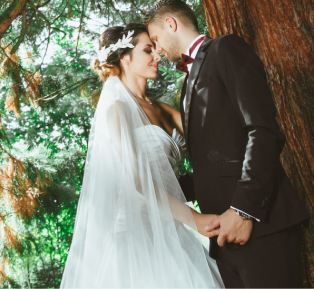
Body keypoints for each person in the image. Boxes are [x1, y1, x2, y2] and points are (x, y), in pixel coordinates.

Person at [145, 0, 311, 289]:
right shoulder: (188, 84)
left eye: (156, 39)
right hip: (223, 239)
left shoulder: (225, 49)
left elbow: (263, 131)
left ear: (171, 23)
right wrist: (153, 190)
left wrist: (244, 211)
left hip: (261, 226)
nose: (157, 50)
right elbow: (212, 163)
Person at [59, 22, 225, 289]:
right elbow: (137, 180)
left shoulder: (164, 110)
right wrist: (194, 219)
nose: (158, 55)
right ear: (125, 58)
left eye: (156, 49)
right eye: (148, 50)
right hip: (137, 241)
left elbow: (211, 145)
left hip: (172, 231)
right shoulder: (117, 109)